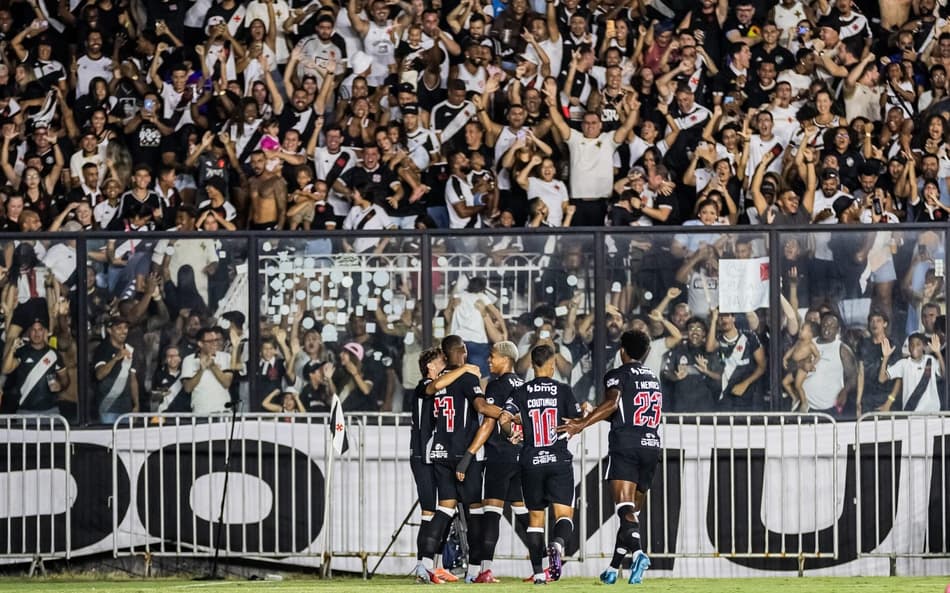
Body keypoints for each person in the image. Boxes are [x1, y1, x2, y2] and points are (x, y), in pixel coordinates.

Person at [558, 329, 661, 585]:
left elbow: (613, 404)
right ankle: (613, 569)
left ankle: (638, 553)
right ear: (646, 352)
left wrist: (581, 424)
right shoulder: (653, 378)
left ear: (622, 350)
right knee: (631, 514)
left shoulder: (617, 374)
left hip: (626, 444)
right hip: (651, 445)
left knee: (623, 507)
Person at [414, 335, 500, 584]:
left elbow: (431, 391)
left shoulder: (438, 380)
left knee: (444, 509)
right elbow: (482, 407)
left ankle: (426, 565)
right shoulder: (466, 376)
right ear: (462, 351)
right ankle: (474, 572)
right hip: (463, 452)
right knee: (474, 511)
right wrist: (509, 415)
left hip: (441, 452)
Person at [499, 344, 581, 584]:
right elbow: (575, 421)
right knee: (564, 514)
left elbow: (504, 418)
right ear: (552, 364)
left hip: (531, 460)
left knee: (535, 520)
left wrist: (511, 434)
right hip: (558, 460)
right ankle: (557, 543)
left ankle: (537, 574)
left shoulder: (522, 391)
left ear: (533, 365)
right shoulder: (563, 390)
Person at [880, 333, 945, 413]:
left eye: (918, 344)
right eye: (912, 344)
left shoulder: (930, 360)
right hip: (911, 414)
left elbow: (943, 373)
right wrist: (886, 358)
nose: (914, 347)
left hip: (932, 413)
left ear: (923, 346)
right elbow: (882, 378)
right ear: (908, 348)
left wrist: (938, 353)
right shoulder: (903, 364)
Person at [92, 317, 140, 423]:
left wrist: (136, 405)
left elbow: (133, 379)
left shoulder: (130, 349)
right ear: (109, 331)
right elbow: (99, 375)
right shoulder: (102, 349)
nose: (123, 331)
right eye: (119, 328)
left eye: (125, 328)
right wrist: (116, 358)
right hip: (108, 408)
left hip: (126, 409)